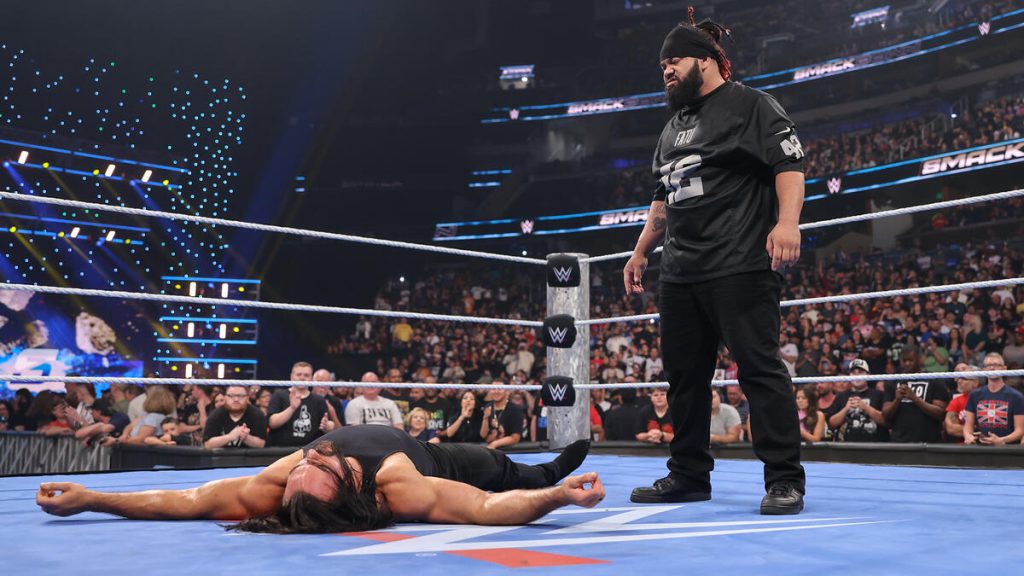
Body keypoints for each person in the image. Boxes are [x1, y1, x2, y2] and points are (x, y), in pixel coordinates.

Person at [623, 9, 806, 514]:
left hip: (740, 262)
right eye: (662, 65)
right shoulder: (671, 128)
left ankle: (784, 480)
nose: (666, 71)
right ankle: (688, 475)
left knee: (759, 371)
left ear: (705, 61)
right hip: (680, 272)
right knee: (684, 378)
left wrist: (787, 223)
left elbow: (789, 165)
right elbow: (663, 198)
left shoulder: (751, 105)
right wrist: (641, 250)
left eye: (674, 61)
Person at [37, 426, 601, 534]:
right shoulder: (397, 483)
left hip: (414, 441)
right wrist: (556, 495)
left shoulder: (281, 480)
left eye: (309, 460)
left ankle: (551, 466)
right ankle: (555, 469)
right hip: (439, 459)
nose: (317, 453)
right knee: (507, 471)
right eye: (321, 463)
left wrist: (92, 497)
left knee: (513, 467)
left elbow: (184, 500)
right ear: (350, 486)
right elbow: (482, 509)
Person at [882, 350, 949, 443]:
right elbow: (885, 415)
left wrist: (915, 398)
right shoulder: (893, 381)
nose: (907, 363)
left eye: (910, 360)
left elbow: (941, 414)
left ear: (920, 359)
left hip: (928, 442)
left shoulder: (934, 379)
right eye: (904, 361)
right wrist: (897, 400)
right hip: (899, 441)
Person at [267, 362, 335, 447]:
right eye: (299, 374)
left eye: (306, 375)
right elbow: (272, 423)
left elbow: (330, 425)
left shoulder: (319, 400)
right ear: (291, 377)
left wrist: (327, 426)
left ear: (311, 378)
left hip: (309, 450)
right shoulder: (279, 395)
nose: (302, 378)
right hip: (280, 449)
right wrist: (292, 408)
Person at [963, 353, 1024, 445]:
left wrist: (1002, 440)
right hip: (980, 448)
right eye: (989, 365)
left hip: (1007, 449)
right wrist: (968, 435)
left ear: (1004, 368)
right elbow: (968, 425)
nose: (992, 368)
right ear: (984, 370)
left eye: (996, 365)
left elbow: (1020, 430)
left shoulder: (1016, 396)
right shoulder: (975, 395)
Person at [829, 359, 886, 442]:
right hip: (846, 446)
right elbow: (831, 424)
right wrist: (846, 409)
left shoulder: (878, 395)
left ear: (868, 375)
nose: (857, 376)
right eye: (853, 372)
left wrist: (866, 408)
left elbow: (886, 421)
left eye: (860, 372)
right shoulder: (841, 396)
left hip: (874, 445)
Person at [203, 385, 269, 449]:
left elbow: (262, 444)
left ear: (247, 398)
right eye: (231, 396)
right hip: (221, 456)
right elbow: (207, 444)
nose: (236, 399)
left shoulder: (257, 415)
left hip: (249, 456)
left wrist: (246, 437)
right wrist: (230, 437)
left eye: (241, 396)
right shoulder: (216, 415)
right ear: (225, 398)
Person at [480, 382, 526, 450]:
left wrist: (494, 444)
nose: (496, 391)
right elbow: (483, 435)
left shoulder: (515, 409)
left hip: (509, 451)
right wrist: (485, 419)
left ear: (506, 391)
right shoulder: (487, 407)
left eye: (499, 389)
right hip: (488, 450)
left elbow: (515, 437)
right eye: (493, 389)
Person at [944, 363, 982, 443]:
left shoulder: (987, 399)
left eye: (964, 378)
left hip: (988, 446)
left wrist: (963, 429)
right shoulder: (956, 401)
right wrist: (977, 430)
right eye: (959, 378)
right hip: (963, 447)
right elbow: (950, 428)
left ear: (975, 382)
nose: (959, 381)